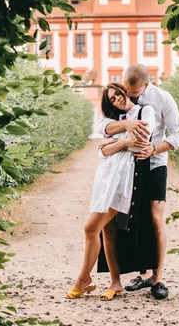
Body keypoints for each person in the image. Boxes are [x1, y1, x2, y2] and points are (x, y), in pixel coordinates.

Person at [100, 64, 179, 300]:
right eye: (126, 91)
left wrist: (154, 148)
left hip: (155, 163)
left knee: (156, 218)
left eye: (133, 94)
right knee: (134, 220)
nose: (128, 97)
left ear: (147, 84)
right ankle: (143, 273)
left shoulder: (164, 99)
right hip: (129, 166)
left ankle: (157, 279)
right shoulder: (122, 97)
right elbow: (105, 125)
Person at [65, 83, 153, 301]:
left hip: (122, 181)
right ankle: (116, 283)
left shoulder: (145, 111)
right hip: (106, 178)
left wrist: (116, 142)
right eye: (112, 99)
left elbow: (139, 143)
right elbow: (102, 148)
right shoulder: (114, 119)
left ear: (124, 91)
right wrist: (123, 138)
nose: (117, 100)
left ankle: (83, 280)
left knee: (90, 228)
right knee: (107, 230)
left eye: (118, 95)